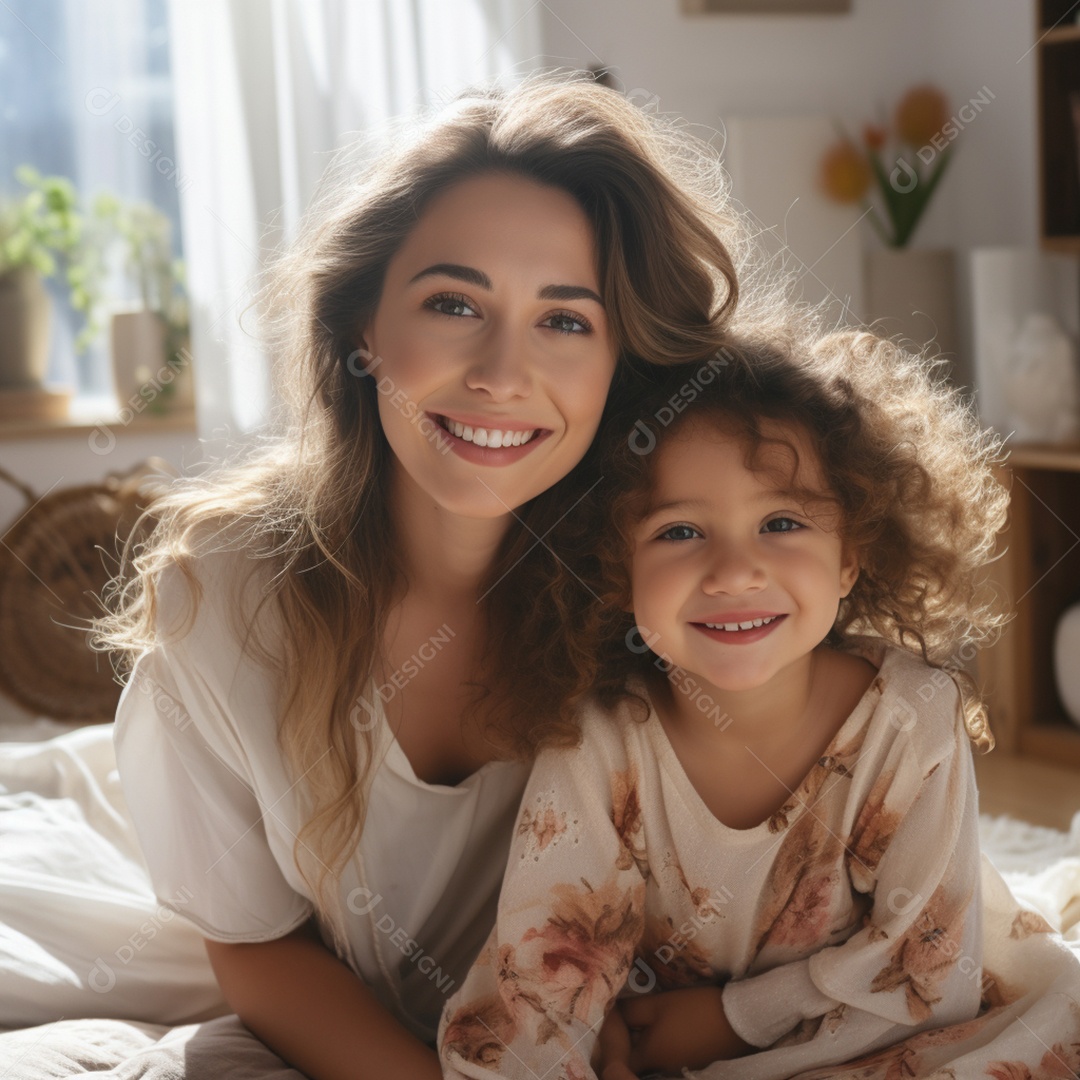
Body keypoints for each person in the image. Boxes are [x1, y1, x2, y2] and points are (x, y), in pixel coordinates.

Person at [90, 71, 750, 1080]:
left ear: (622, 363)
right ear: (363, 325)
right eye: (453, 303)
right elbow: (257, 945)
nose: (501, 374)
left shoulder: (665, 578)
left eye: (566, 321)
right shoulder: (224, 595)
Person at [438, 330, 1080, 1079]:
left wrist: (734, 1020)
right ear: (618, 575)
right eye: (680, 531)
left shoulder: (911, 719)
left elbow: (928, 979)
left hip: (867, 1023)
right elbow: (536, 987)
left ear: (849, 558)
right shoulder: (599, 739)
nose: (735, 572)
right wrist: (590, 1033)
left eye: (781, 524)